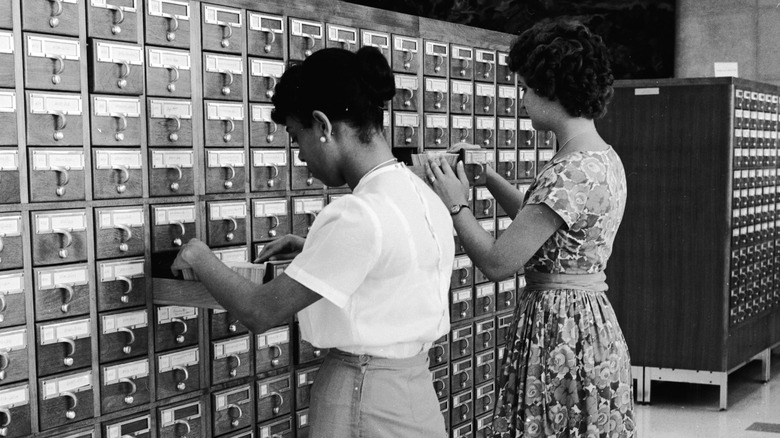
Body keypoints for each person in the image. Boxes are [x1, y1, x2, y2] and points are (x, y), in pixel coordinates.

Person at [171, 46, 453, 438]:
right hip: (415, 392)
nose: (299, 154)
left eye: (295, 136)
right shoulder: (424, 194)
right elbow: (395, 265)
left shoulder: (358, 214)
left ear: (323, 126)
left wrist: (198, 256)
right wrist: (314, 252)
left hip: (363, 396)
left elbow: (259, 311)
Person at [424, 18, 635, 438]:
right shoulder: (599, 157)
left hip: (559, 330)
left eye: (524, 87)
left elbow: (499, 263)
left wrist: (456, 204)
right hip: (589, 323)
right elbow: (543, 223)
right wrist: (489, 178)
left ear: (550, 89)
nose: (521, 98)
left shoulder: (568, 172)